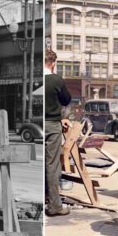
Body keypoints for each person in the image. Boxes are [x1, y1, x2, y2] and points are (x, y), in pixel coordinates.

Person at [44, 49, 72, 216]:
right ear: (53, 63)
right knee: (53, 165)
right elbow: (66, 100)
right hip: (52, 125)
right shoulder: (56, 80)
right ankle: (55, 205)